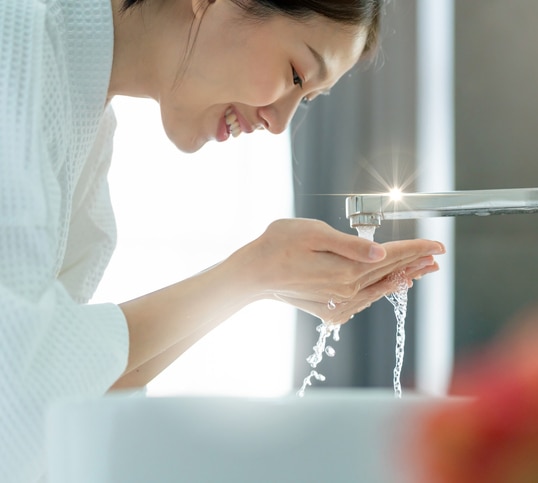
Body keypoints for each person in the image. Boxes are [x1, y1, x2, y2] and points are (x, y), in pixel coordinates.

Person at [0, 0, 445, 480]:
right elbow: (18, 378)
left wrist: (256, 280)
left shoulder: (82, 110)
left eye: (307, 99)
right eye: (296, 74)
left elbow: (73, 384)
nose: (278, 123)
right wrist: (249, 272)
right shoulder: (18, 43)